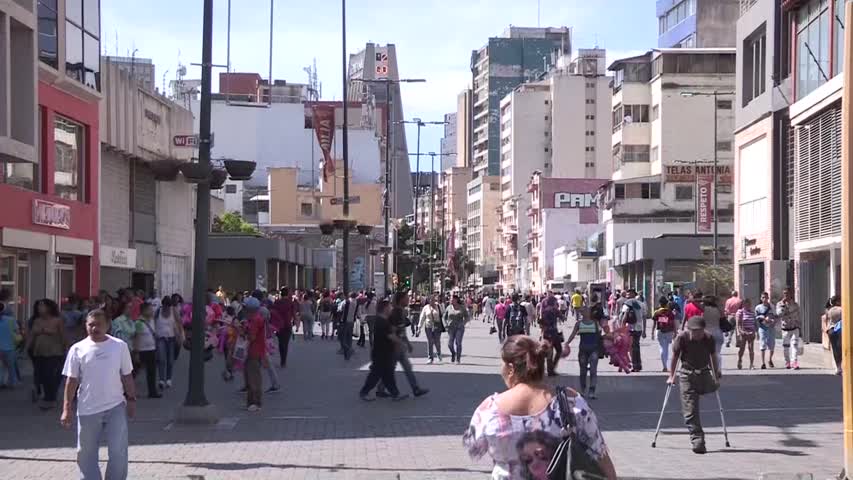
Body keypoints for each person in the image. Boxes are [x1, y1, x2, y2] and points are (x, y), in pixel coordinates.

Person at [463, 335, 616, 479]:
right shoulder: (570, 402)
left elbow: (474, 449)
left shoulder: (490, 408)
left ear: (510, 369)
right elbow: (601, 456)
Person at [61, 309, 136, 480]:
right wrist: (67, 408)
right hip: (88, 408)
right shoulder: (77, 349)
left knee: (118, 451)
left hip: (115, 406)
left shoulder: (119, 346)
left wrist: (131, 399)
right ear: (85, 326)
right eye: (91, 324)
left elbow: (127, 376)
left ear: (108, 325)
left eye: (99, 324)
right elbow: (71, 381)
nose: (94, 328)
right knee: (86, 453)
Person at [667, 315, 722, 454]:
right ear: (688, 329)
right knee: (690, 409)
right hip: (687, 374)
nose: (696, 334)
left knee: (713, 387)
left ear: (704, 330)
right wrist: (671, 376)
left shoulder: (708, 338)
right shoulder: (682, 338)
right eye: (693, 331)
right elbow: (674, 357)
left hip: (704, 373)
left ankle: (705, 388)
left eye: (699, 331)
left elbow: (713, 356)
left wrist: (716, 373)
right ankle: (697, 440)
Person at [377, 292, 428, 398]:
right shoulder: (396, 312)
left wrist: (407, 343)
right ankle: (384, 390)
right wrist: (401, 343)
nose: (408, 300)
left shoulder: (400, 311)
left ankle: (415, 389)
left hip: (397, 345)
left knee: (403, 367)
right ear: (401, 300)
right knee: (391, 369)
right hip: (394, 346)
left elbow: (401, 330)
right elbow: (394, 330)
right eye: (406, 298)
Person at [360, 299, 407, 401]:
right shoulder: (381, 321)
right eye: (389, 307)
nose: (391, 309)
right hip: (380, 353)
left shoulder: (383, 320)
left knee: (387, 374)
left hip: (384, 352)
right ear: (385, 308)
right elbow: (390, 336)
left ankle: (395, 394)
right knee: (376, 374)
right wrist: (401, 342)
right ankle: (364, 392)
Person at [27, 299, 68, 409]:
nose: (40, 308)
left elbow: (63, 335)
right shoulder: (36, 321)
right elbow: (31, 336)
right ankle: (47, 394)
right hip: (39, 351)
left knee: (50, 375)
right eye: (39, 306)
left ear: (49, 308)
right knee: (41, 375)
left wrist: (66, 348)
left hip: (54, 352)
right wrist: (27, 347)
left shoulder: (57, 320)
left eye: (42, 306)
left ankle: (50, 398)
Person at [566, 308, 602, 399]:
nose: (583, 313)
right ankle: (583, 390)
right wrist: (567, 343)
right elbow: (573, 334)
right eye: (582, 311)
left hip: (594, 349)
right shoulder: (578, 324)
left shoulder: (595, 323)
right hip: (583, 350)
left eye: (585, 311)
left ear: (590, 313)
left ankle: (592, 391)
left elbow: (599, 336)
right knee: (583, 371)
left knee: (593, 371)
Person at [155, 296, 183, 390]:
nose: (167, 308)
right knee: (162, 359)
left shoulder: (173, 311)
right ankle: (162, 380)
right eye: (165, 306)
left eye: (169, 306)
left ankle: (169, 378)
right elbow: (154, 322)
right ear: (163, 305)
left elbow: (179, 323)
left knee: (170, 360)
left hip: (171, 338)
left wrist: (179, 336)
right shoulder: (158, 312)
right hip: (160, 338)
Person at [242, 297, 265, 411]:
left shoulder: (255, 320)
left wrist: (244, 333)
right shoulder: (255, 319)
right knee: (251, 375)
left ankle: (255, 402)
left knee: (253, 377)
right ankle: (252, 401)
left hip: (254, 351)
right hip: (255, 351)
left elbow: (252, 336)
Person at [134, 302, 161, 398]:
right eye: (150, 309)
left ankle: (152, 392)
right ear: (144, 310)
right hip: (141, 350)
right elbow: (136, 337)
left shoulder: (152, 320)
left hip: (151, 349)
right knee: (135, 371)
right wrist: (136, 352)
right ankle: (128, 391)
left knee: (152, 371)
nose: (152, 311)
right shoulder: (139, 322)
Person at [776, 287, 802, 370]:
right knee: (786, 346)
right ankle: (787, 361)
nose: (786, 295)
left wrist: (799, 326)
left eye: (787, 293)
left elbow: (798, 315)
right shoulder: (779, 304)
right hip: (785, 328)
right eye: (784, 293)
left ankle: (794, 362)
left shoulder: (795, 304)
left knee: (794, 345)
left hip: (794, 327)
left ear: (791, 294)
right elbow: (779, 314)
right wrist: (783, 305)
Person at [619, 289, 645, 372]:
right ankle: (638, 365)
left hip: (631, 328)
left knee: (632, 348)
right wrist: (644, 330)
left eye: (628, 294)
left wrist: (621, 329)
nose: (627, 295)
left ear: (632, 294)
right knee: (636, 346)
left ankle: (635, 365)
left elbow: (623, 317)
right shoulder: (642, 304)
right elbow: (644, 317)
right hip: (639, 328)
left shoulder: (627, 304)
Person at [538, 293, 563, 377]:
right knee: (558, 350)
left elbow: (541, 323)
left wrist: (541, 333)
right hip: (554, 333)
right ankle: (552, 368)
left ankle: (550, 369)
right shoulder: (555, 310)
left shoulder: (544, 311)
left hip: (546, 333)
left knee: (549, 352)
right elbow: (562, 317)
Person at [271, 288, 296, 367]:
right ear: (287, 294)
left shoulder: (277, 302)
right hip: (287, 324)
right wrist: (295, 321)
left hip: (279, 325)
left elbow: (273, 312)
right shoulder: (290, 302)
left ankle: (282, 359)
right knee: (285, 343)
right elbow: (294, 313)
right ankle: (283, 361)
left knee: (281, 343)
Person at [0, 288, 20, 388]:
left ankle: (2, 381)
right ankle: (13, 382)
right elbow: (16, 330)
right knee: (11, 365)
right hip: (9, 345)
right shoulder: (10, 318)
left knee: (2, 366)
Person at [651, 296, 676, 372]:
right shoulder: (670, 312)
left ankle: (664, 366)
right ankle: (665, 365)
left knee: (662, 348)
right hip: (669, 331)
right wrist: (675, 332)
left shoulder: (657, 312)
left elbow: (654, 324)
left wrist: (652, 332)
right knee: (666, 348)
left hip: (660, 331)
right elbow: (673, 323)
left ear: (660, 303)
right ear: (666, 303)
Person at [755, 291, 777, 369]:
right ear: (761, 298)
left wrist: (773, 321)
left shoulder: (772, 306)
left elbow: (775, 316)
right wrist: (763, 319)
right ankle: (763, 362)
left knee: (771, 345)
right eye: (763, 297)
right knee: (762, 344)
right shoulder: (758, 307)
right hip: (762, 328)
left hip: (771, 328)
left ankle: (770, 359)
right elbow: (757, 318)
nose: (764, 299)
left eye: (766, 297)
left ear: (768, 298)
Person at [444, 294, 469, 364]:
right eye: (450, 299)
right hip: (450, 328)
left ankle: (458, 358)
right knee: (450, 344)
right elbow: (444, 317)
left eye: (452, 299)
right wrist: (445, 324)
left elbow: (467, 317)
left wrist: (463, 323)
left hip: (459, 328)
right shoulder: (448, 308)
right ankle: (453, 353)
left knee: (458, 343)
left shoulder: (462, 308)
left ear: (456, 300)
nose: (451, 300)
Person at [418, 296, 443, 364]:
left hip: (437, 326)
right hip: (428, 326)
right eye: (431, 300)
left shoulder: (438, 306)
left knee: (437, 341)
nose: (432, 301)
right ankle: (430, 358)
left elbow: (442, 315)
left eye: (433, 300)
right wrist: (419, 327)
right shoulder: (426, 308)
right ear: (428, 301)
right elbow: (422, 317)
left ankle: (438, 354)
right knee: (430, 342)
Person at [735, 297, 757, 370]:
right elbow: (738, 324)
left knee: (751, 349)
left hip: (751, 332)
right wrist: (741, 332)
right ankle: (740, 360)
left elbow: (755, 323)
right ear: (744, 305)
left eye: (749, 304)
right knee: (742, 348)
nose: (748, 305)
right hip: (743, 333)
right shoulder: (740, 312)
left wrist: (754, 332)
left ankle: (751, 364)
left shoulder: (752, 313)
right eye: (746, 304)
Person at [824, 295, 842, 375]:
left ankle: (837, 367)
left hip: (831, 330)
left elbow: (826, 320)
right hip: (839, 330)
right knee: (840, 348)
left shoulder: (828, 310)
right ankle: (841, 366)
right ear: (837, 301)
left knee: (835, 349)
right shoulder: (841, 309)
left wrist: (826, 330)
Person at [338, 292, 358, 360]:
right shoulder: (356, 302)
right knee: (349, 337)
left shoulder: (346, 301)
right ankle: (349, 349)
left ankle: (346, 349)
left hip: (344, 321)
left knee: (342, 337)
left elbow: (340, 309)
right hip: (351, 321)